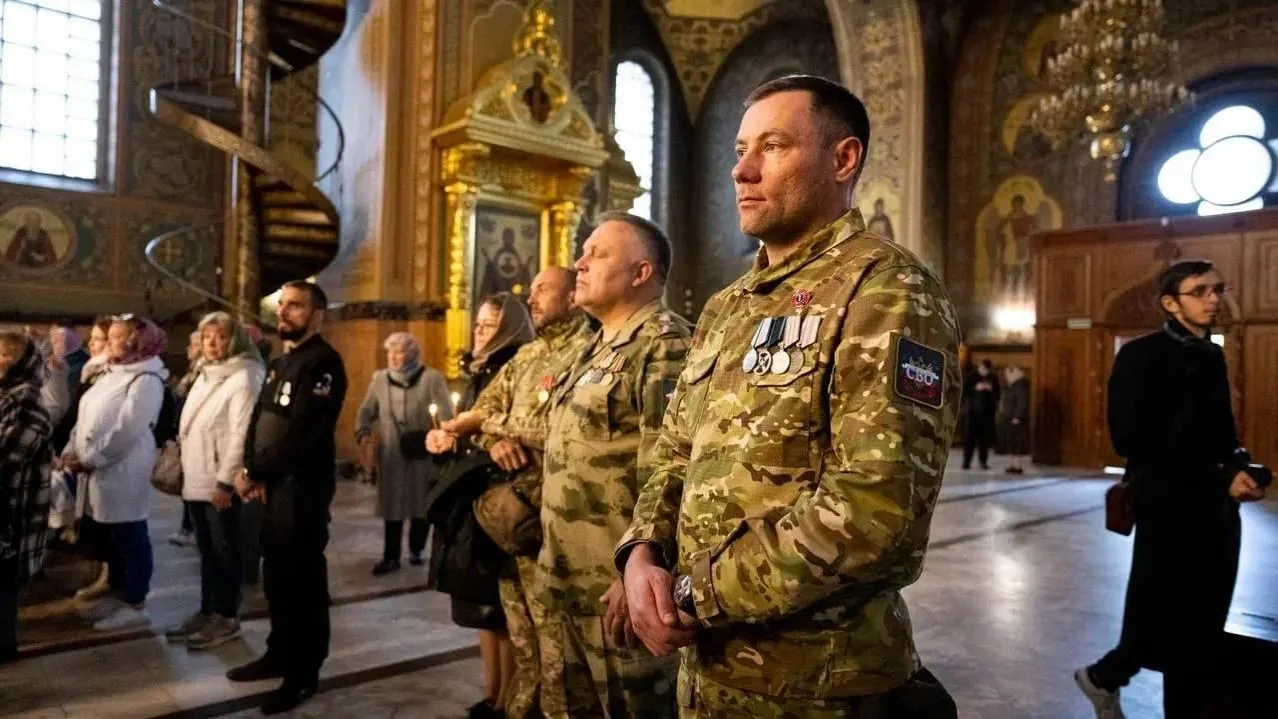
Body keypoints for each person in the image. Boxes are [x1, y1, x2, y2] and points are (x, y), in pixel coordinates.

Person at [617, 75, 962, 718]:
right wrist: (641, 554)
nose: (743, 171)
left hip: (817, 682)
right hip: (710, 668)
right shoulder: (727, 306)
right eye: (740, 150)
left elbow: (874, 511)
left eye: (772, 147)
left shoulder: (886, 289)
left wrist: (691, 593)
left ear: (842, 159)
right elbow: (675, 454)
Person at [1075, 260, 1268, 719]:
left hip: (1217, 510)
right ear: (1170, 302)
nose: (1214, 298)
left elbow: (1220, 435)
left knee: (1203, 620)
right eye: (1200, 290)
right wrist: (1219, 474)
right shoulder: (1140, 356)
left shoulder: (1211, 354)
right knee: (1177, 622)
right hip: (1168, 506)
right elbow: (1134, 440)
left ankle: (1105, 676)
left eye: (1218, 289)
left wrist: (1243, 466)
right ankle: (1117, 680)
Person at [538, 212, 692, 718]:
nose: (578, 264)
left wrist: (641, 568)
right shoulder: (590, 346)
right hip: (564, 581)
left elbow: (674, 467)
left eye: (597, 254)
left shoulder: (664, 344)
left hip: (617, 593)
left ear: (641, 272)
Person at [449, 266, 592, 719]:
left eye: (543, 290)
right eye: (530, 290)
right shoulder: (527, 355)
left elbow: (561, 428)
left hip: (556, 524)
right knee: (524, 643)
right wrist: (497, 438)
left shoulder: (588, 350)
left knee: (558, 658)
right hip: (510, 521)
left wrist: (490, 426)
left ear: (572, 297)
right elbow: (482, 407)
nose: (531, 298)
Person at [227, 280, 347, 715]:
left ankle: (303, 674)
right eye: (282, 306)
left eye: (295, 306)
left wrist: (256, 470)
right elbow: (260, 417)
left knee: (302, 584)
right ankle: (278, 653)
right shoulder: (281, 361)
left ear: (318, 314)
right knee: (275, 577)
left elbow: (301, 434)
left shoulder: (324, 363)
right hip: (272, 487)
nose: (284, 313)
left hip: (302, 491)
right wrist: (247, 468)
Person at [426, 292, 534, 719]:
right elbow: (469, 427)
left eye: (490, 326)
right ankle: (492, 694)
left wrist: (472, 438)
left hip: (500, 499)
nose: (480, 333)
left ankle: (507, 699)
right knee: (480, 608)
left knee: (501, 611)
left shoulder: (516, 367)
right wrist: (445, 440)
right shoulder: (480, 370)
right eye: (479, 325)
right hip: (470, 494)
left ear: (510, 328)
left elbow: (504, 431)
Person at [165, 313, 264, 650]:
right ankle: (208, 610)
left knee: (225, 551)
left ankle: (226, 616)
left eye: (219, 336)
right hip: (197, 474)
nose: (211, 343)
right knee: (207, 551)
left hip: (219, 479)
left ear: (234, 339)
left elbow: (241, 434)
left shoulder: (245, 376)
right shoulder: (207, 374)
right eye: (206, 336)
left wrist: (225, 482)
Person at [65, 315, 168, 631]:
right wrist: (72, 448)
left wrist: (92, 458)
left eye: (118, 336)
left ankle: (136, 602)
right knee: (114, 538)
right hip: (98, 469)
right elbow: (86, 415)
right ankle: (120, 594)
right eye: (110, 337)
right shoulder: (112, 372)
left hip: (123, 469)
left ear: (137, 341)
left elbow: (128, 428)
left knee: (132, 538)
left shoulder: (146, 379)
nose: (110, 342)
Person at [355, 332, 451, 575]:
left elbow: (447, 415)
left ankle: (417, 549)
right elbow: (366, 410)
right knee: (392, 506)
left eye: (399, 352)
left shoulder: (432, 379)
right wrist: (363, 431)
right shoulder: (379, 380)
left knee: (421, 503)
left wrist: (444, 435)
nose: (394, 357)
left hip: (423, 452)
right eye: (390, 352)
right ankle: (391, 556)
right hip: (391, 453)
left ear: (413, 354)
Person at [0, 332, 54, 664]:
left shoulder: (28, 401)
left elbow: (8, 453)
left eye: (8, 356)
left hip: (12, 510)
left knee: (2, 585)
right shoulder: (6, 395)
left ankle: (4, 647)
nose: (1, 361)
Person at [170, 329, 204, 549]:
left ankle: (191, 528)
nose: (188, 349)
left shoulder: (202, 373)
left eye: (192, 344)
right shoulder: (193, 371)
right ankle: (189, 527)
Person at [961, 359, 1000, 470]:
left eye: (987, 370)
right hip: (972, 412)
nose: (985, 372)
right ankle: (966, 462)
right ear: (980, 367)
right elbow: (964, 392)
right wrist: (976, 388)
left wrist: (991, 389)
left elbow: (998, 394)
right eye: (983, 370)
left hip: (987, 413)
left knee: (984, 440)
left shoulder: (993, 378)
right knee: (970, 439)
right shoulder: (971, 376)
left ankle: (983, 461)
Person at [998, 365, 1031, 474]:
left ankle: (1017, 466)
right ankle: (1013, 465)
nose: (1007, 377)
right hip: (1010, 418)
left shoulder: (1021, 386)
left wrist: (1017, 416)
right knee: (1012, 443)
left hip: (1016, 419)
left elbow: (1023, 403)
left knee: (1017, 444)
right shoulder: (1013, 385)